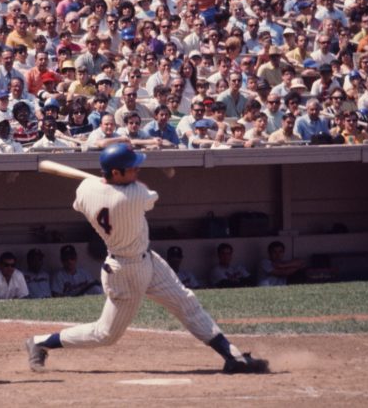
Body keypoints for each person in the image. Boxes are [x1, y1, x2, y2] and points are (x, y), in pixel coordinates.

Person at [25, 144, 269, 374]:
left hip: (147, 260)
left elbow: (83, 202)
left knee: (186, 303)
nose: (137, 170)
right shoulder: (133, 196)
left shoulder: (86, 189)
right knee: (106, 334)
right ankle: (40, 342)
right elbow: (148, 193)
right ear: (116, 173)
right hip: (126, 271)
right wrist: (113, 185)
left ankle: (232, 356)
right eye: (132, 168)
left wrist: (106, 184)